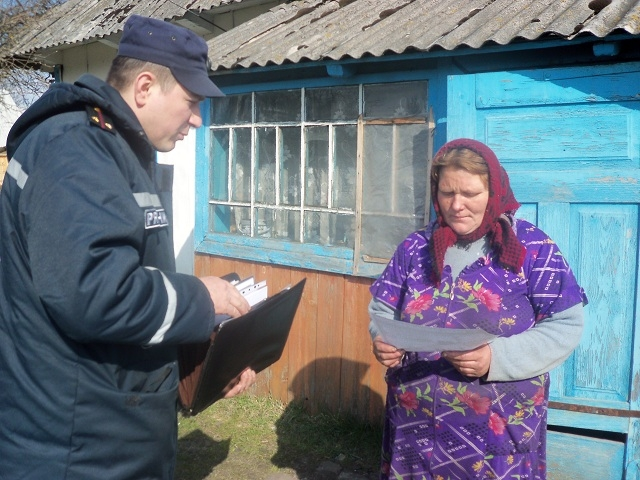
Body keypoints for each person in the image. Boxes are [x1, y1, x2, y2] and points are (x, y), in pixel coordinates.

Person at [0, 14, 256, 480]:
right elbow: (96, 295)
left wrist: (206, 353)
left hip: (110, 432)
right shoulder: (76, 153)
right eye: (191, 102)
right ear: (144, 88)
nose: (197, 119)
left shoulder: (117, 151)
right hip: (76, 450)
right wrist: (202, 298)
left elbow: (127, 285)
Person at [369, 138, 588, 480]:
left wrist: (495, 358)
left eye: (470, 193)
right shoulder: (415, 248)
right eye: (447, 193)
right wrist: (382, 340)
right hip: (415, 429)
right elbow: (382, 310)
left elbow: (566, 325)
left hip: (498, 431)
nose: (456, 205)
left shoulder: (533, 249)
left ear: (494, 192)